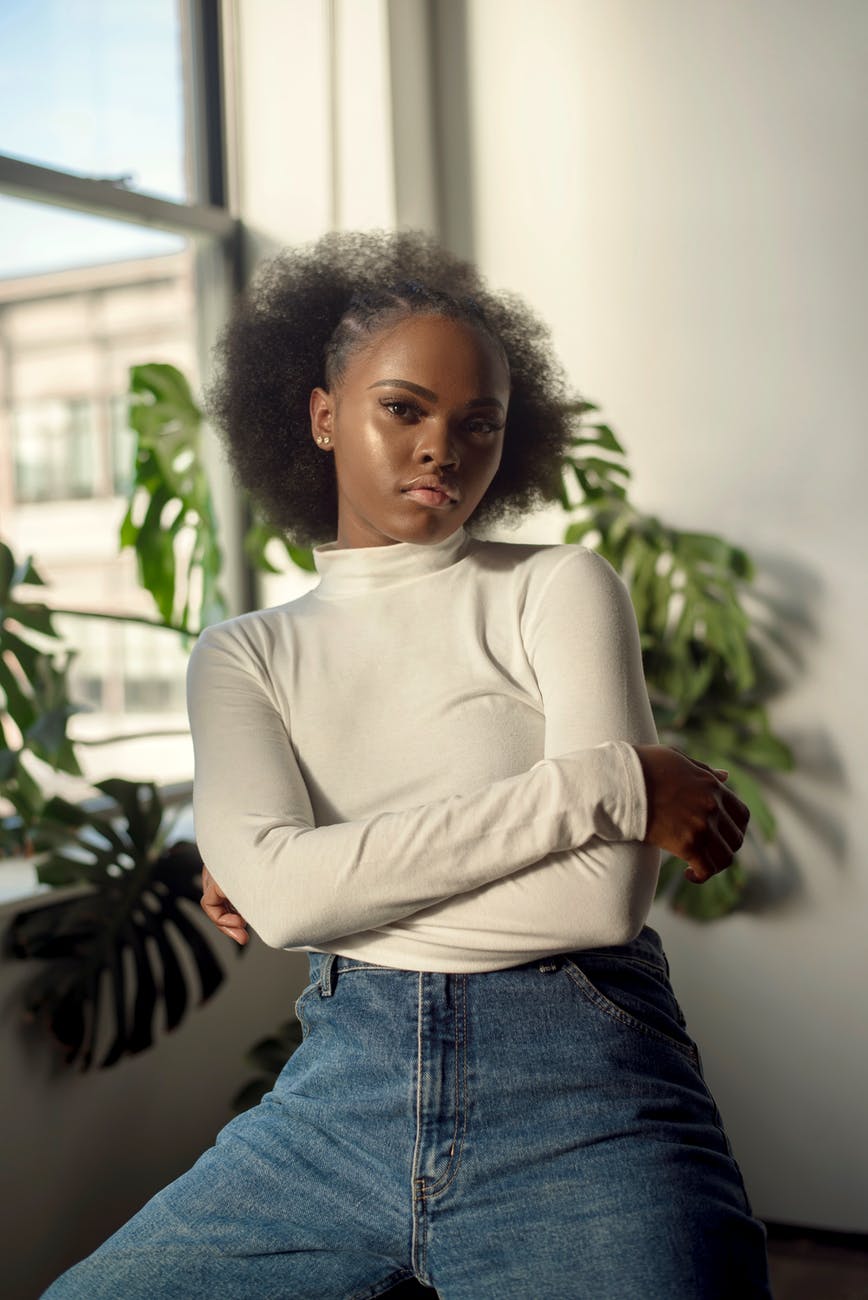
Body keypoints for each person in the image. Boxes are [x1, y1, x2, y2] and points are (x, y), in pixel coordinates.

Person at [44, 230, 771, 1298]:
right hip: (335, 1105)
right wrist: (606, 784)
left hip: (584, 1094)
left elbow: (598, 900)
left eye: (478, 423)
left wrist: (335, 881)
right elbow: (287, 904)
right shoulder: (244, 654)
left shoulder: (558, 588)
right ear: (322, 414)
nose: (445, 447)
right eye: (404, 408)